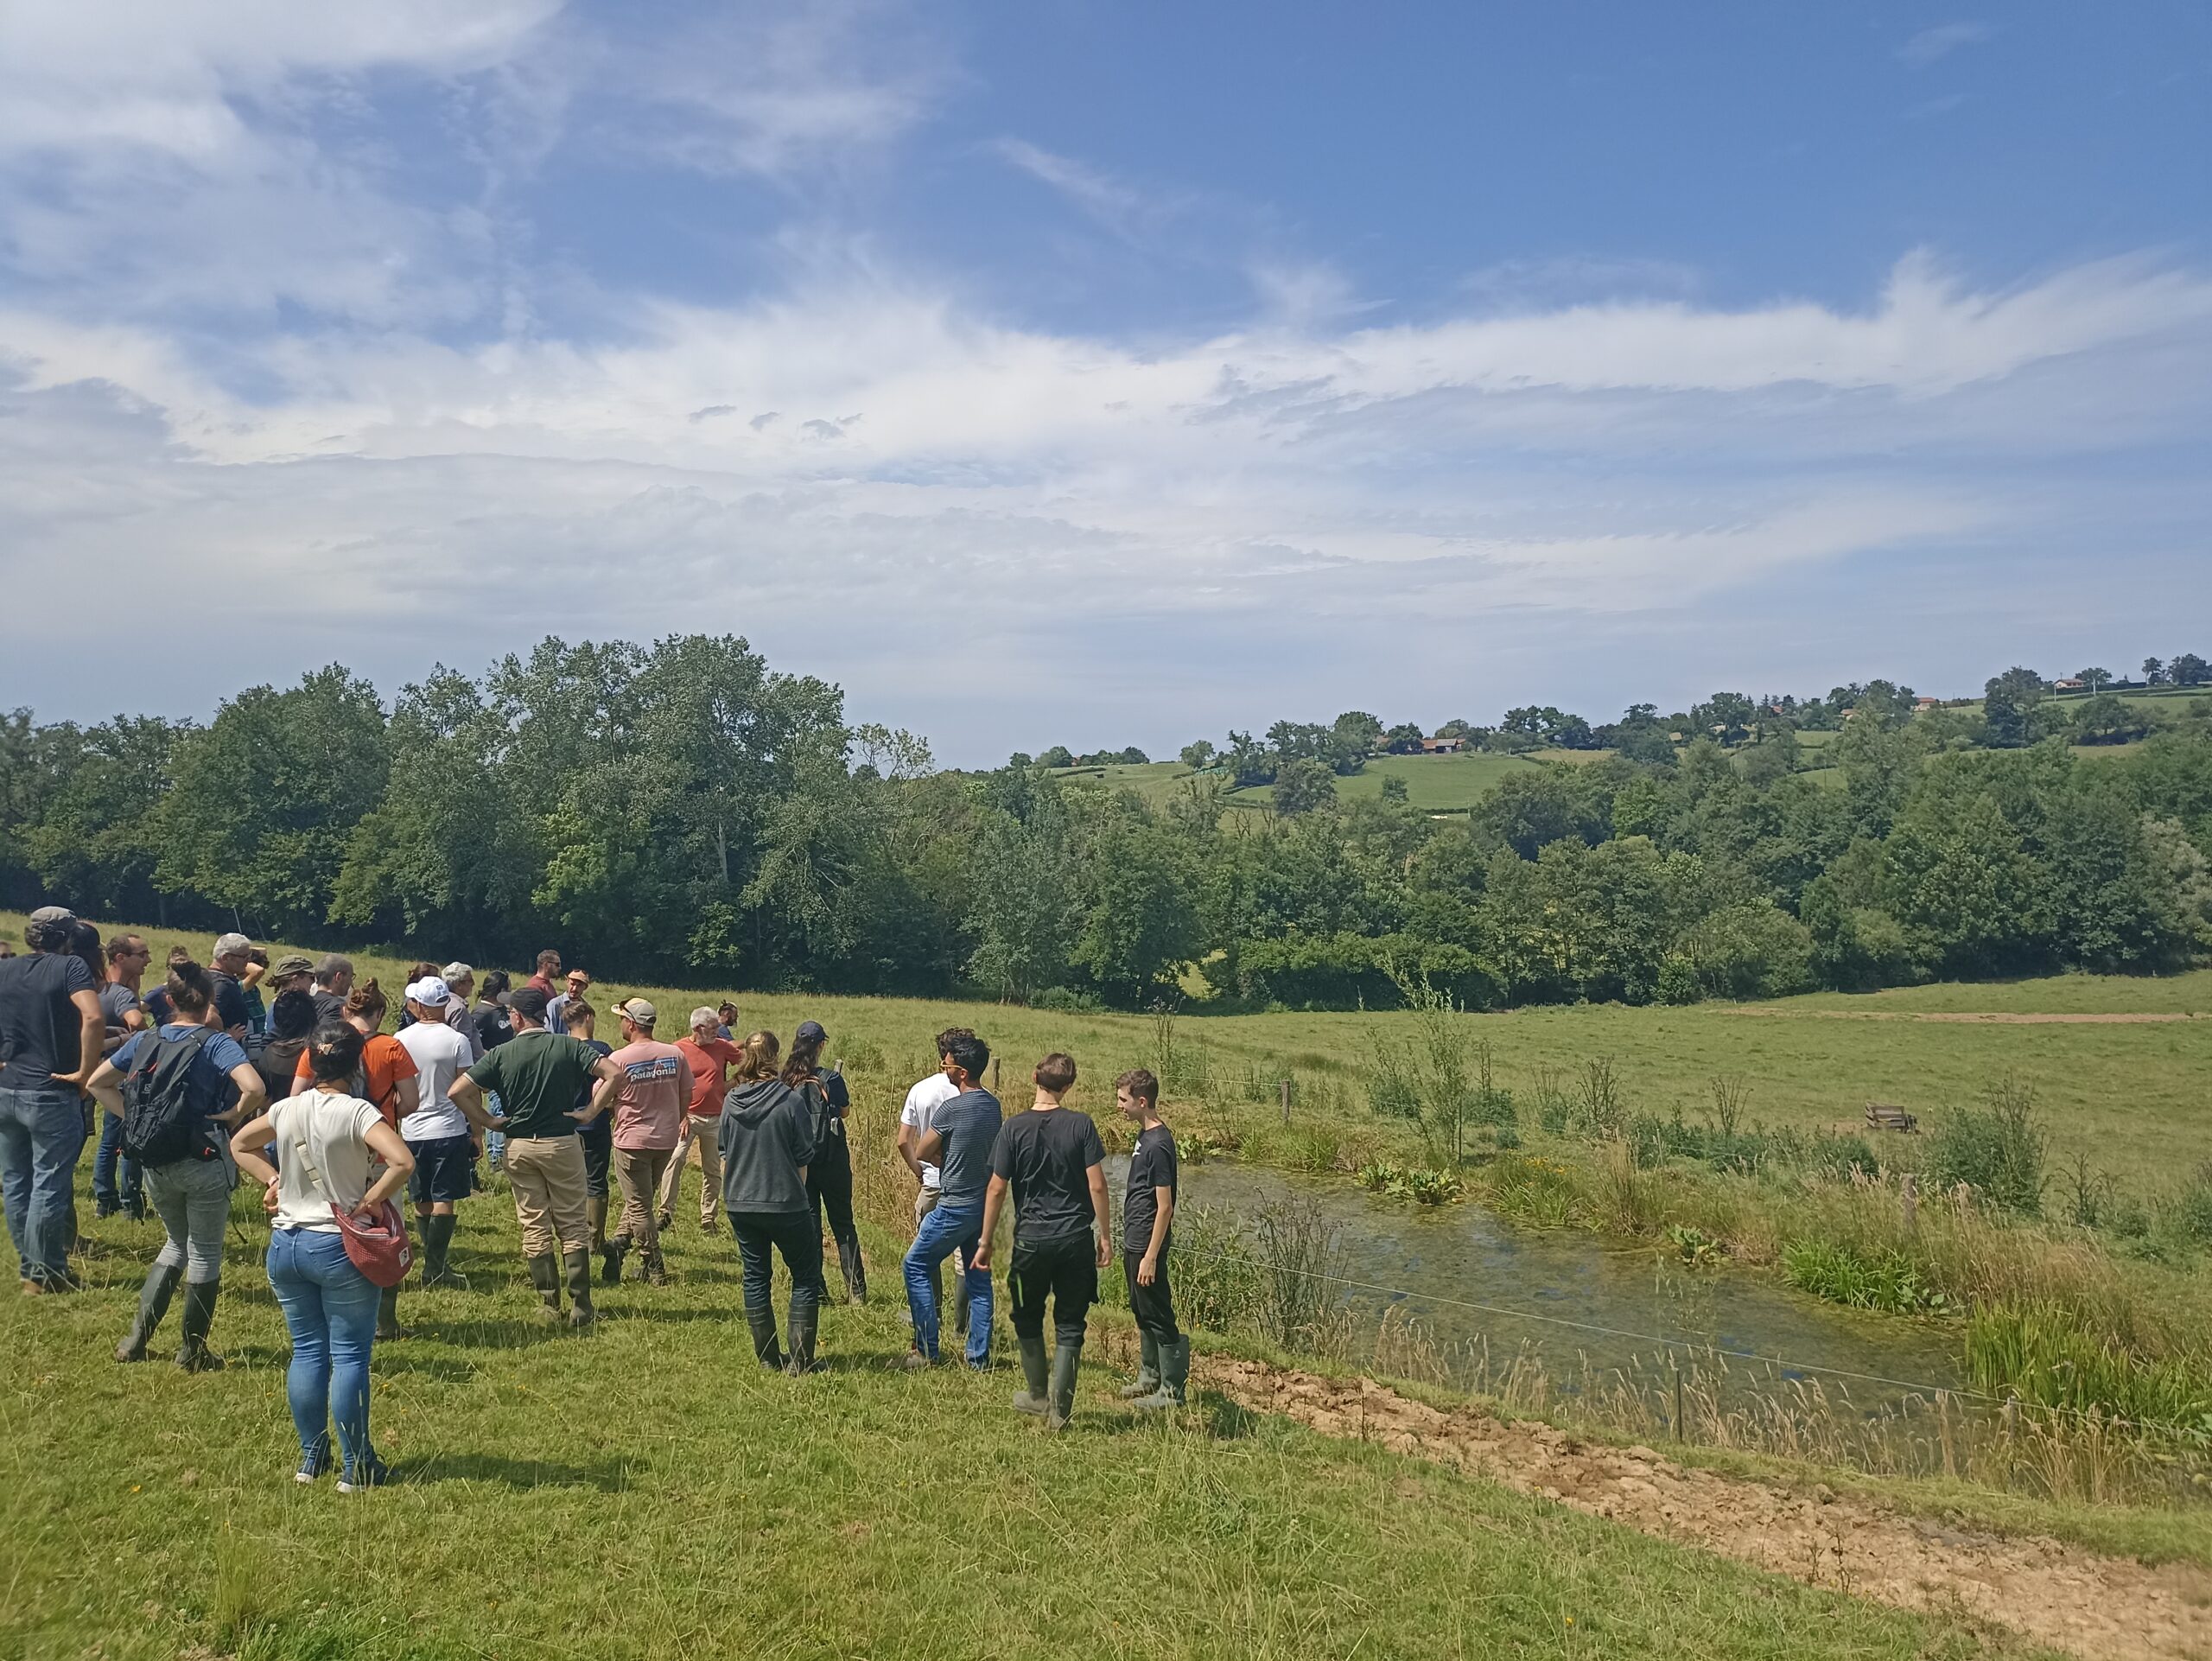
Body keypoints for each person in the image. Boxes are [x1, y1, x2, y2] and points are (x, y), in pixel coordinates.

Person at [231, 1021, 415, 1491]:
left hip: (286, 1243)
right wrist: (373, 1200)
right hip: (339, 1242)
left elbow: (239, 1144)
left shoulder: (287, 1107)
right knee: (350, 1355)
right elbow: (403, 1161)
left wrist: (272, 1181)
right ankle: (357, 1465)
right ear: (357, 1065)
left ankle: (311, 1459)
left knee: (307, 1352)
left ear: (311, 1062)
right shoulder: (357, 1112)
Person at [88, 960, 265, 1369]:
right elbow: (254, 1087)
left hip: (154, 1159)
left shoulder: (147, 1038)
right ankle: (192, 1351)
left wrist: (131, 1119)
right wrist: (233, 1116)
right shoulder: (217, 1042)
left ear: (169, 1000)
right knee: (204, 1253)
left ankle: (135, 1341)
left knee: (174, 1244)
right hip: (202, 1157)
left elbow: (97, 1082)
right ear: (209, 1002)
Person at [448, 984, 622, 1328]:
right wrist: (590, 1112)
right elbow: (615, 1074)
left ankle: (548, 1303)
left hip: (520, 1146)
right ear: (545, 1015)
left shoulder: (501, 1053)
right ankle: (581, 1306)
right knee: (572, 1223)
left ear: (516, 1017)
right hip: (561, 1142)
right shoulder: (568, 1046)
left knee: (534, 1223)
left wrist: (488, 1121)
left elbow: (458, 1091)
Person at [972, 1053, 1110, 1428]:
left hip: (1030, 1242)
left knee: (1025, 1316)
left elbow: (997, 1188)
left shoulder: (1013, 1129)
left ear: (1034, 1077)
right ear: (1068, 1088)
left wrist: (985, 1241)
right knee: (1070, 1324)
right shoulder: (1081, 1125)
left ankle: (1036, 1395)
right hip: (1075, 1240)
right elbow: (1097, 1184)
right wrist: (1106, 1236)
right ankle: (1061, 1413)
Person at [293, 980, 420, 1339]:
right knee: (385, 1233)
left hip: (326, 1153)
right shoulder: (392, 1046)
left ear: (347, 1012)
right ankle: (385, 1321)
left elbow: (296, 1096)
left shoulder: (317, 1047)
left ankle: (329, 1312)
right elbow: (412, 1102)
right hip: (380, 1155)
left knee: (328, 1226)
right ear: (379, 1013)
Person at [0, 906, 105, 1293]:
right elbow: (93, 1018)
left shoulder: (6, 968)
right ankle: (48, 1274)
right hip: (50, 1090)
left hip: (8, 1087)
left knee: (15, 1182)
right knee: (49, 1184)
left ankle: (31, 1272)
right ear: (68, 937)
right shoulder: (70, 967)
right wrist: (85, 1072)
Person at [718, 1031, 821, 1372]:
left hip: (740, 1202)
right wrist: (799, 1196)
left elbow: (724, 1157)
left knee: (755, 1276)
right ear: (775, 1058)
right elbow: (804, 1158)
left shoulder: (731, 1102)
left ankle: (767, 1359)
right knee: (805, 1276)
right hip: (785, 1202)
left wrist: (732, 1191)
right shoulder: (790, 1101)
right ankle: (801, 1361)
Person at [904, 1033, 1001, 1370]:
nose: (943, 1065)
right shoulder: (993, 1105)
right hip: (982, 1205)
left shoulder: (952, 1108)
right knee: (978, 1279)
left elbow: (921, 1150)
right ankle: (978, 1357)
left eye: (948, 1062)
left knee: (914, 1265)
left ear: (961, 1072)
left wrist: (946, 1160)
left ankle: (928, 1349)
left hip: (954, 1204)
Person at [602, 998, 692, 1287]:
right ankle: (618, 1245)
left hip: (632, 1141)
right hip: (665, 1139)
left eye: (621, 1019)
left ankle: (655, 1266)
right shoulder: (674, 1054)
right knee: (641, 1199)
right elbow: (687, 1092)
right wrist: (674, 1118)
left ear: (631, 1023)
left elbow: (601, 1096)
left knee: (640, 1205)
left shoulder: (619, 1058)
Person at [395, 977, 477, 1290]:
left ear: (418, 1005)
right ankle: (435, 1265)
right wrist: (477, 1130)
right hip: (450, 1127)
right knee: (446, 1198)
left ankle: (433, 1264)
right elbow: (466, 1090)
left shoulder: (400, 1038)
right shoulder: (457, 1040)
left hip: (412, 1128)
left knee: (421, 1197)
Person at [897, 1027, 975, 1349]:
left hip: (932, 1183)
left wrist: (919, 1170)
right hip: (967, 1187)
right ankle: (962, 1325)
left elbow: (904, 1140)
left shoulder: (921, 1090)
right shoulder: (970, 1091)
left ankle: (932, 1315)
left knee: (925, 1257)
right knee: (964, 1259)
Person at [1113, 1067, 1185, 1408]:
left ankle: (1172, 1391)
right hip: (1135, 1237)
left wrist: (1151, 1255)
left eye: (1123, 1100)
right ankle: (1149, 1375)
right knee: (1140, 1308)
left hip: (1147, 1243)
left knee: (1157, 1311)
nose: (1119, 1106)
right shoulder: (1144, 1136)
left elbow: (1165, 1207)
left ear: (1142, 1102)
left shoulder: (1158, 1145)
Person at [788, 1021, 863, 1301]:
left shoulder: (788, 1079)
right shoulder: (831, 1078)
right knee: (843, 1223)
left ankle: (817, 1290)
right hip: (832, 1160)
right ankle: (856, 1292)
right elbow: (843, 1113)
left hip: (801, 1162)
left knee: (810, 1225)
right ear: (821, 1046)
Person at [663, 1006, 743, 1234]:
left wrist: (732, 1083)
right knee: (676, 1158)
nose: (718, 1030)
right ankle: (665, 1212)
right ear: (698, 1028)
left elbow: (745, 1062)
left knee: (713, 1168)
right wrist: (681, 1115)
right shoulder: (679, 1049)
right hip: (687, 1116)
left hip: (715, 1116)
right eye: (713, 1027)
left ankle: (708, 1217)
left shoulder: (721, 1046)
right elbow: (670, 1083)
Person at [91, 932, 153, 1220]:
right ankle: (132, 1203)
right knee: (131, 1136)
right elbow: (137, 1021)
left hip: (98, 1071)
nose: (148, 959)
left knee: (108, 1139)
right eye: (141, 954)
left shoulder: (95, 987)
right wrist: (138, 1034)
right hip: (122, 1074)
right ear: (120, 958)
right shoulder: (121, 994)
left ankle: (104, 1198)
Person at [559, 1000, 618, 1279]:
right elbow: (612, 1084)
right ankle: (594, 1240)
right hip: (594, 1124)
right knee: (596, 1180)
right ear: (589, 1017)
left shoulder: (559, 1048)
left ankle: (567, 1238)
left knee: (566, 1183)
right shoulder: (602, 1050)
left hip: (564, 1124)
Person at [207, 933, 254, 1041]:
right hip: (225, 1051)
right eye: (244, 957)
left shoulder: (206, 976)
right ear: (225, 958)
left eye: (249, 956)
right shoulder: (223, 984)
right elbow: (209, 1017)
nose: (248, 961)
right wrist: (226, 1037)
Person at [543, 968, 590, 1044]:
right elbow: (549, 1032)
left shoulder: (585, 1007)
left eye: (579, 985)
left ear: (585, 987)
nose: (574, 989)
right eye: (572, 984)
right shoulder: (555, 1004)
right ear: (567, 982)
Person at [309, 955, 354, 1023]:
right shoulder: (339, 1008)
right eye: (350, 977)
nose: (351, 983)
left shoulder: (305, 1003)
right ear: (339, 977)